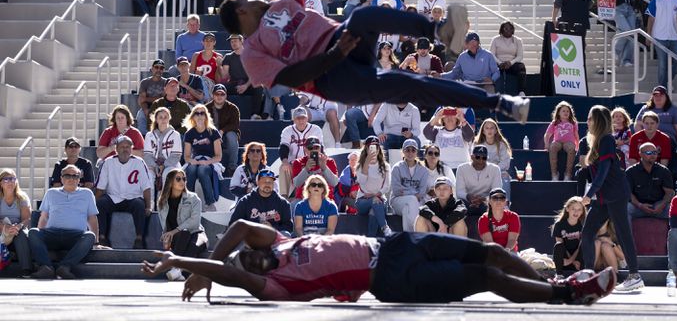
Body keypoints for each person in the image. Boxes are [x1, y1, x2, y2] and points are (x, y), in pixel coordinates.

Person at [220, 0, 530, 122]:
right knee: (410, 83)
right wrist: (333, 57)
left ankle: (440, 31)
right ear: (241, 12)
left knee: (364, 16)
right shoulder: (252, 52)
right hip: (333, 77)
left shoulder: (283, 2)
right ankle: (501, 104)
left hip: (342, 39)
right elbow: (291, 76)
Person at [143, 219, 618, 305]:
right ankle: (567, 294)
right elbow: (231, 272)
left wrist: (208, 256)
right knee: (487, 277)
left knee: (492, 251)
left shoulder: (284, 242)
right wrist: (185, 263)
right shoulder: (281, 286)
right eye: (249, 263)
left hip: (395, 244)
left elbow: (243, 229)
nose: (251, 254)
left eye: (251, 253)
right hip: (391, 278)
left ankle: (555, 278)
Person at [580, 105, 644, 292]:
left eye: (590, 118)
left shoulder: (607, 139)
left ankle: (634, 275)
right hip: (603, 197)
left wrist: (589, 194)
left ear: (598, 121)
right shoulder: (596, 141)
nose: (588, 121)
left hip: (615, 194)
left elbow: (603, 171)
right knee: (587, 232)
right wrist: (594, 194)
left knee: (623, 233)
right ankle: (588, 276)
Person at [28, 165, 99, 279]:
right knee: (33, 232)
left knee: (90, 236)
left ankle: (65, 267)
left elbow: (92, 218)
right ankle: (45, 267)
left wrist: (96, 242)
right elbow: (44, 217)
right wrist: (40, 234)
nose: (71, 179)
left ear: (79, 179)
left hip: (75, 236)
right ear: (61, 179)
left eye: (75, 176)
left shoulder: (87, 194)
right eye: (67, 176)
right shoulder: (51, 193)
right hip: (52, 234)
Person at [96, 135, 152, 249]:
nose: (125, 149)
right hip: (113, 198)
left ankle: (139, 239)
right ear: (116, 148)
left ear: (132, 149)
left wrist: (148, 206)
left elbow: (146, 187)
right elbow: (100, 188)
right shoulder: (108, 162)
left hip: (132, 198)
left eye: (128, 146)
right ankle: (101, 238)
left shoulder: (139, 162)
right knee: (101, 203)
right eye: (122, 146)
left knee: (139, 205)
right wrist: (93, 206)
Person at [157, 168, 208, 281]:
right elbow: (164, 224)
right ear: (170, 182)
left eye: (184, 179)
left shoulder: (193, 198)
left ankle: (177, 269)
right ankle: (179, 271)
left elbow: (195, 222)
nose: (182, 181)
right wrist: (166, 238)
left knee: (193, 243)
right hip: (179, 238)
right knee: (184, 234)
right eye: (178, 179)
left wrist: (175, 231)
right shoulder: (162, 202)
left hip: (197, 233)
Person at [183, 104, 222, 212]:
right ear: (193, 117)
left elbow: (218, 156)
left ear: (206, 116)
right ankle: (188, 202)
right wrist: (192, 161)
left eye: (202, 113)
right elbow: (186, 157)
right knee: (190, 170)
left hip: (210, 162)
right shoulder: (189, 133)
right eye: (197, 113)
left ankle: (210, 203)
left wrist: (207, 162)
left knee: (202, 170)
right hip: (195, 160)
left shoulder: (213, 132)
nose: (199, 116)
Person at [645, 0, 677, 88]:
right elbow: (651, 19)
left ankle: (666, 83)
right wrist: (648, 35)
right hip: (659, 37)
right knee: (662, 64)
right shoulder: (655, 1)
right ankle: (662, 88)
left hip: (674, 37)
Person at [229, 169, 292, 234]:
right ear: (258, 183)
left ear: (273, 184)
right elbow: (233, 224)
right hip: (251, 237)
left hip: (274, 237)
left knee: (286, 234)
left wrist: (273, 228)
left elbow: (289, 226)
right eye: (264, 181)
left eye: (270, 182)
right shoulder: (245, 201)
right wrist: (254, 228)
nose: (267, 184)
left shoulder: (282, 203)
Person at [626, 142, 674, 224]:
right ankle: (626, 237)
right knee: (625, 209)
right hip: (638, 206)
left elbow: (669, 192)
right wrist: (640, 205)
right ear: (640, 154)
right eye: (649, 153)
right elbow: (628, 193)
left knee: (674, 210)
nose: (653, 155)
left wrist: (662, 205)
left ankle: (675, 236)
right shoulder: (631, 172)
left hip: (659, 207)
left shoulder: (664, 171)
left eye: (655, 152)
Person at [143, 107, 183, 202]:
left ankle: (162, 205)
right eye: (160, 117)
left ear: (169, 118)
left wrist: (163, 166)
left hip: (171, 164)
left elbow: (176, 155)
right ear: (156, 120)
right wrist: (155, 166)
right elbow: (147, 155)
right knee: (148, 175)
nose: (163, 119)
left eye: (165, 117)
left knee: (168, 174)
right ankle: (150, 206)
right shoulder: (150, 135)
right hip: (153, 164)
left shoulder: (175, 134)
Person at [355, 136, 392, 236]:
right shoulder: (360, 165)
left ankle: (371, 241)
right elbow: (361, 182)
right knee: (374, 202)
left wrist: (376, 195)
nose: (373, 149)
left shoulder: (385, 166)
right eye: (370, 146)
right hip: (362, 200)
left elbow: (387, 186)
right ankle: (385, 228)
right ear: (366, 148)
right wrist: (366, 163)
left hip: (379, 200)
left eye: (376, 146)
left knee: (373, 210)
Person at [390, 139, 430, 232]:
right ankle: (418, 234)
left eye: (413, 150)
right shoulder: (397, 168)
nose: (410, 153)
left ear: (417, 152)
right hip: (397, 201)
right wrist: (413, 194)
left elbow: (422, 192)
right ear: (403, 151)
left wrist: (407, 192)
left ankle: (408, 237)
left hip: (416, 202)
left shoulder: (423, 170)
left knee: (407, 209)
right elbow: (396, 191)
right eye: (407, 150)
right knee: (412, 199)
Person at [221, 34, 264, 119]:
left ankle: (255, 115)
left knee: (259, 86)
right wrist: (220, 66)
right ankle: (223, 114)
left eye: (235, 41)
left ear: (241, 41)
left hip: (248, 84)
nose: (233, 43)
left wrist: (246, 85)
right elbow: (225, 76)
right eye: (231, 41)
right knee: (221, 88)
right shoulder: (228, 57)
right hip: (234, 84)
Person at [607, 0, 640, 67]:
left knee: (633, 34)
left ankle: (626, 60)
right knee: (626, 30)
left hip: (629, 9)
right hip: (618, 9)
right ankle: (615, 53)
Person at [0, 168, 32, 276]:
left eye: (13, 179)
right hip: (1, 228)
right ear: (1, 183)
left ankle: (26, 270)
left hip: (17, 229)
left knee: (22, 234)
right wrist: (4, 227)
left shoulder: (22, 197)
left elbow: (26, 219)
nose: (10, 182)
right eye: (6, 179)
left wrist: (18, 227)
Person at [633, 86, 677, 150]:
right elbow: (638, 124)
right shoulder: (645, 108)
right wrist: (641, 138)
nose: (658, 97)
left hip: (668, 138)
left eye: (661, 95)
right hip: (648, 137)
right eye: (656, 95)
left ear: (666, 97)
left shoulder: (674, 109)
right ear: (652, 97)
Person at [455, 145, 502, 216]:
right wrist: (469, 197)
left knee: (495, 205)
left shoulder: (495, 169)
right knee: (459, 207)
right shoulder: (462, 168)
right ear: (472, 157)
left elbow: (496, 191)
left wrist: (484, 199)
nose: (481, 160)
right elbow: (459, 192)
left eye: (484, 158)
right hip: (467, 201)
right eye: (477, 157)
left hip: (486, 202)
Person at [205, 84, 241, 174]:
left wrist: (222, 130)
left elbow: (235, 125)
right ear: (213, 95)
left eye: (222, 94)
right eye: (217, 94)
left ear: (226, 96)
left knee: (232, 136)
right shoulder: (206, 108)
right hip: (211, 134)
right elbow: (202, 124)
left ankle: (232, 167)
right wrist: (215, 133)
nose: (219, 97)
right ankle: (210, 165)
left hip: (227, 134)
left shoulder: (233, 108)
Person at [291, 137, 339, 201]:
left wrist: (324, 168)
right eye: (310, 148)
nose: (314, 150)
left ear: (320, 148)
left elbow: (334, 183)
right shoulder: (298, 162)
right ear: (305, 149)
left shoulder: (329, 161)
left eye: (316, 148)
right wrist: (306, 169)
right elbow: (296, 184)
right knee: (294, 205)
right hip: (303, 199)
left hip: (325, 199)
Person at [475, 118, 512, 199]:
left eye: (492, 128)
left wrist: (494, 169)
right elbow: (474, 161)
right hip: (481, 171)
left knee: (505, 176)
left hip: (498, 171)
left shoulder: (502, 144)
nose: (489, 130)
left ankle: (506, 204)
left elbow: (505, 163)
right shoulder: (477, 144)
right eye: (487, 128)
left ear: (496, 130)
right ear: (483, 131)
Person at [544, 101, 580, 181]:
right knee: (552, 147)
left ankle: (568, 174)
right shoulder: (555, 123)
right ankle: (554, 174)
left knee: (571, 149)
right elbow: (547, 135)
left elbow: (576, 135)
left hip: (569, 142)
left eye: (567, 111)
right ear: (558, 113)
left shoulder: (573, 123)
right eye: (563, 111)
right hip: (557, 142)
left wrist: (577, 145)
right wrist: (546, 144)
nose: (566, 112)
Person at [490, 21, 527, 96]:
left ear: (513, 30)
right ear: (501, 29)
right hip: (499, 64)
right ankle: (492, 91)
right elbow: (491, 54)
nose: (508, 30)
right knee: (489, 67)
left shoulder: (518, 40)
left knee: (521, 67)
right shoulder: (495, 40)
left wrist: (510, 63)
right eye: (506, 28)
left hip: (512, 64)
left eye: (510, 28)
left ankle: (521, 91)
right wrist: (500, 63)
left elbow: (520, 56)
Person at [552, 196, 586, 276]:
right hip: (565, 258)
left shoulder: (583, 224)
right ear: (567, 209)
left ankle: (583, 274)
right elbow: (560, 243)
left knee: (584, 244)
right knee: (558, 245)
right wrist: (570, 260)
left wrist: (573, 260)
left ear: (582, 212)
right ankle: (559, 275)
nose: (576, 212)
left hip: (578, 258)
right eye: (573, 209)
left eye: (579, 209)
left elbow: (581, 246)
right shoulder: (559, 225)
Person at [136, 59, 167, 135]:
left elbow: (163, 99)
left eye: (161, 68)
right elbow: (141, 100)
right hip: (147, 107)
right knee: (140, 115)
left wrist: (146, 98)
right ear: (152, 69)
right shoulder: (144, 82)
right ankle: (143, 138)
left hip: (161, 108)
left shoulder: (166, 82)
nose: (159, 70)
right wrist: (146, 110)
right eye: (156, 67)